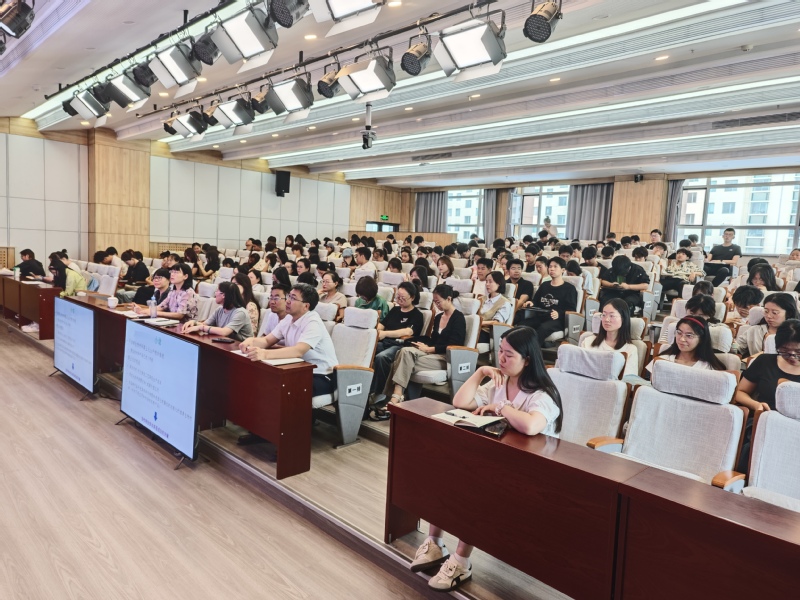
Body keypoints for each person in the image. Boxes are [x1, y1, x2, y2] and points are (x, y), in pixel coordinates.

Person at [410, 327, 562, 591]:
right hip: (500, 460)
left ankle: (461, 561)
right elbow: (461, 401)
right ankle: (435, 542)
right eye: (500, 351)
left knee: (475, 485)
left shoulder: (542, 393)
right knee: (447, 470)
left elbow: (531, 426)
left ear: (527, 359)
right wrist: (480, 372)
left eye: (509, 355)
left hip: (532, 472)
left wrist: (500, 407)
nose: (501, 359)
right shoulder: (500, 382)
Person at [240, 283, 338, 395]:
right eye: (289, 296)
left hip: (322, 375)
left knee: (276, 388)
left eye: (293, 298)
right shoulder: (288, 318)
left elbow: (298, 351)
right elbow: (267, 340)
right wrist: (251, 341)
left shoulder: (313, 322)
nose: (287, 301)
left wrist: (264, 354)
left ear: (306, 306)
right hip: (298, 369)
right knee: (260, 380)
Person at [383, 285, 466, 405]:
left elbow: (454, 345)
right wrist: (421, 343)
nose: (436, 305)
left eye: (438, 302)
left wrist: (429, 349)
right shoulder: (438, 317)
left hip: (445, 357)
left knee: (403, 359)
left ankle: (393, 397)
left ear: (448, 299)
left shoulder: (458, 318)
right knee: (404, 352)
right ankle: (398, 397)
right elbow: (434, 340)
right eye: (434, 302)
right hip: (432, 354)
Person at [735, 319, 800, 472]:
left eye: (798, 352)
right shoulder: (765, 361)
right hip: (765, 423)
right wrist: (756, 405)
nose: (792, 357)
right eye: (784, 351)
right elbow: (740, 392)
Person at [369, 282, 426, 414]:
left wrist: (385, 334)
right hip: (385, 341)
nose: (399, 300)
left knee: (382, 357)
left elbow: (408, 331)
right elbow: (382, 325)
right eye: (397, 297)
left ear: (412, 297)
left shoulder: (417, 315)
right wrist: (375, 331)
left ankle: (379, 392)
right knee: (367, 350)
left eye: (402, 297)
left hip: (400, 345)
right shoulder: (395, 310)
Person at [517, 257, 577, 341]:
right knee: (521, 326)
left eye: (555, 266)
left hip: (557, 320)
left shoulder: (569, 288)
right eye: (550, 266)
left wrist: (559, 313)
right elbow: (536, 301)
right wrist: (531, 303)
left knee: (542, 329)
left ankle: (532, 349)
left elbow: (571, 309)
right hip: (541, 317)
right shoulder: (544, 285)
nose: (552, 269)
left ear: (563, 270)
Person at [580, 298, 639, 378]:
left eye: (612, 316)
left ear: (623, 318)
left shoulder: (630, 349)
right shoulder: (588, 341)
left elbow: (628, 380)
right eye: (604, 315)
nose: (606, 319)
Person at [647, 316, 725, 372]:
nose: (682, 339)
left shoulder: (709, 368)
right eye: (679, 333)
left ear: (701, 339)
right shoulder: (662, 360)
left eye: (689, 335)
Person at [182, 281, 254, 342]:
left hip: (242, 348)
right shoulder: (220, 309)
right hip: (226, 344)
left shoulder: (240, 312)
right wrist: (194, 323)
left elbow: (224, 332)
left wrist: (201, 327)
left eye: (217, 291)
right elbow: (205, 324)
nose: (215, 293)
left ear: (223, 295)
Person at [736, 292, 799, 357]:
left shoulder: (796, 333)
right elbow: (737, 349)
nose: (768, 316)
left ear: (789, 313)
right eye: (766, 311)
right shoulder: (755, 330)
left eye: (774, 313)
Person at [479, 272, 512, 343]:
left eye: (490, 282)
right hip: (474, 328)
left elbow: (496, 322)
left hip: (486, 333)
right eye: (486, 281)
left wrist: (478, 323)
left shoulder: (505, 303)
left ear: (498, 283)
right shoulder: (481, 299)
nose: (487, 284)